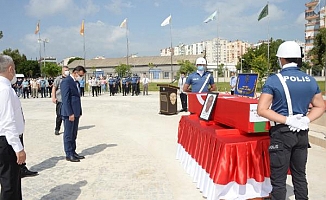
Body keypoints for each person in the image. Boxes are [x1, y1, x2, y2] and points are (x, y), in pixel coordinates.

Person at [257, 41, 325, 200]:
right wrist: (305, 120)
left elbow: (262, 109)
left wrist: (288, 120)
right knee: (300, 175)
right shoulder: (310, 79)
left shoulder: (275, 80)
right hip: (302, 134)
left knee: (279, 180)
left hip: (281, 133)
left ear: (281, 58)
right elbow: (320, 106)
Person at [0, 55, 27, 199]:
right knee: (10, 184)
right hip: (7, 142)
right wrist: (19, 148)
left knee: (12, 182)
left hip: (5, 140)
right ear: (10, 69)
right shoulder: (4, 89)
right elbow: (7, 122)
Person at [60, 65, 86, 162]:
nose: (81, 77)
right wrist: (70, 113)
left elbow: (77, 98)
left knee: (74, 133)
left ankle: (73, 151)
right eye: (80, 75)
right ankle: (68, 154)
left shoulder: (76, 82)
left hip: (76, 112)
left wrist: (79, 111)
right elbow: (65, 99)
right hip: (69, 113)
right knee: (68, 134)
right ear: (75, 72)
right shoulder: (66, 82)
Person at [52, 66, 70, 135]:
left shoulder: (70, 79)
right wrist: (53, 97)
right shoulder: (58, 79)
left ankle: (67, 129)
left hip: (67, 101)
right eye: (65, 70)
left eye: (67, 70)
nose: (67, 71)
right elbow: (54, 88)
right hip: (60, 100)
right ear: (62, 71)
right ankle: (57, 129)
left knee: (68, 115)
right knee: (59, 115)